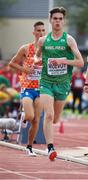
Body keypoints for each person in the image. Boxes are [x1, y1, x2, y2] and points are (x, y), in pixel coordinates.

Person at [34, 7, 84, 161]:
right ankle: (50, 148)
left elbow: (81, 62)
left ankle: (51, 141)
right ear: (50, 20)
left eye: (60, 19)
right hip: (46, 82)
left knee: (55, 118)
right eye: (55, 18)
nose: (57, 21)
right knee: (48, 115)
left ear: (64, 21)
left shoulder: (69, 40)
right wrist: (37, 63)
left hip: (62, 83)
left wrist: (63, 61)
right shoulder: (43, 40)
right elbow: (37, 57)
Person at [9, 21, 46, 156]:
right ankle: (24, 118)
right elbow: (12, 63)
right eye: (39, 31)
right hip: (27, 88)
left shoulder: (48, 50)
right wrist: (25, 69)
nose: (41, 33)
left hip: (41, 89)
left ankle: (29, 147)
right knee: (30, 116)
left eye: (43, 30)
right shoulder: (26, 48)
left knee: (36, 120)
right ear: (34, 32)